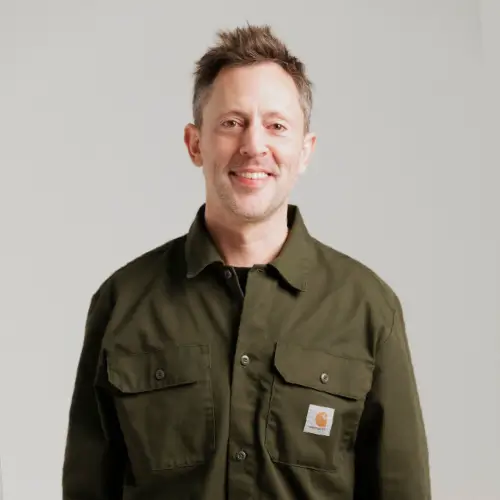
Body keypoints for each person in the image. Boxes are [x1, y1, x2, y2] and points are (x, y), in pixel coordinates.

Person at [62, 23, 431, 500]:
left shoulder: (368, 308)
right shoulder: (123, 302)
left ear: (305, 150)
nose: (254, 145)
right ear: (195, 143)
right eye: (232, 122)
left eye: (276, 126)